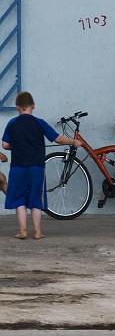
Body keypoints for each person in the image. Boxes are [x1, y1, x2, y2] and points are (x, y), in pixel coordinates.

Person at [3, 91, 81, 240]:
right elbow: (57, 139)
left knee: (19, 200)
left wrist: (18, 146)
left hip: (18, 168)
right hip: (37, 167)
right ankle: (38, 232)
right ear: (33, 106)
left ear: (18, 107)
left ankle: (23, 231)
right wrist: (73, 141)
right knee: (36, 199)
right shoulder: (39, 122)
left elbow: (5, 145)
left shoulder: (12, 123)